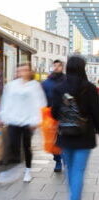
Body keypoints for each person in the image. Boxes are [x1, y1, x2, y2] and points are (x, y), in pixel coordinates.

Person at [51, 56, 99, 200]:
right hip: (84, 136)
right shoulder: (89, 88)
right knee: (78, 170)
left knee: (70, 169)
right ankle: (74, 198)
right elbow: (96, 112)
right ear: (82, 68)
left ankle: (73, 196)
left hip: (65, 134)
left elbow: (54, 113)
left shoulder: (59, 88)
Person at [0, 63, 47, 182]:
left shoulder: (34, 86)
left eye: (25, 70)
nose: (22, 73)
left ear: (30, 72)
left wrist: (37, 120)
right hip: (14, 120)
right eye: (20, 70)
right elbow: (6, 101)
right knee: (13, 145)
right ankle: (13, 168)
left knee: (27, 146)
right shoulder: (11, 85)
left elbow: (40, 103)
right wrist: (2, 116)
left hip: (28, 121)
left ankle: (28, 170)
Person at [42, 59, 65, 172]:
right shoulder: (46, 83)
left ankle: (65, 159)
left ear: (62, 67)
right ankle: (57, 161)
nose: (56, 68)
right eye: (54, 65)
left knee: (64, 138)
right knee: (52, 140)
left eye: (58, 66)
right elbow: (41, 99)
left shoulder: (67, 81)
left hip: (65, 114)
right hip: (50, 114)